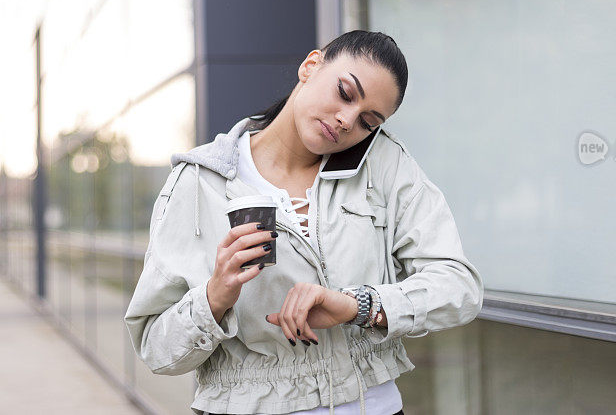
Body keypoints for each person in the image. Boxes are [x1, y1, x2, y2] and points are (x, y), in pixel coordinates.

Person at [124, 30, 484, 415]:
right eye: (345, 92)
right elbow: (156, 349)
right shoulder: (200, 183)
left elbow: (458, 285)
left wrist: (359, 305)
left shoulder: (385, 164)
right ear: (311, 66)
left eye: (368, 121)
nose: (347, 121)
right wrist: (215, 297)